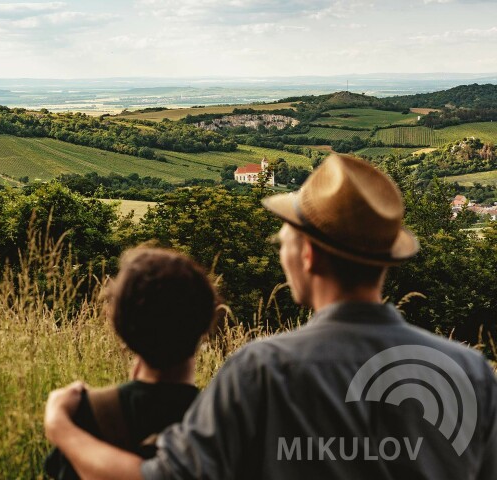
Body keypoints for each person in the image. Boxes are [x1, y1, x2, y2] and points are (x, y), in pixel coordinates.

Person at [44, 153, 497, 479]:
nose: (280, 248)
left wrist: (62, 429)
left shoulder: (264, 371)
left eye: (285, 237)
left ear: (310, 257)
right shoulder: (471, 373)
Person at [44, 247, 218, 479]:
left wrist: (58, 422)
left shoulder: (87, 415)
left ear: (120, 327)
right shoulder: (221, 421)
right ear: (205, 324)